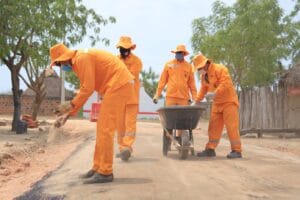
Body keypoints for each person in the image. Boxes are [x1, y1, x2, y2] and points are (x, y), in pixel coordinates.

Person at [49, 43, 135, 183]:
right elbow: (86, 87)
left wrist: (70, 106)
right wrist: (69, 114)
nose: (60, 68)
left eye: (58, 65)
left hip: (119, 85)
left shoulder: (81, 59)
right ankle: (97, 167)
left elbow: (87, 88)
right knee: (101, 129)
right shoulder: (79, 60)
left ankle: (105, 172)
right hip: (114, 86)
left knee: (105, 129)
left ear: (62, 59)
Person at [192, 54, 242, 159]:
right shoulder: (204, 76)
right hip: (217, 103)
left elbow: (226, 83)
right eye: (198, 69)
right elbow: (203, 89)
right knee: (213, 127)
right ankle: (210, 149)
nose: (199, 70)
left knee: (231, 127)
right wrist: (196, 101)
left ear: (205, 64)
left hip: (229, 102)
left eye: (200, 68)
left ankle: (237, 150)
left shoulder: (220, 69)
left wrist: (215, 93)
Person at [115, 36, 143, 161]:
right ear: (119, 48)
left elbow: (130, 76)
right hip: (119, 98)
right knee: (120, 126)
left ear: (131, 48)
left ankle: (127, 147)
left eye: (127, 48)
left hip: (131, 98)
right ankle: (122, 148)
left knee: (130, 125)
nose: (125, 51)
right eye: (123, 48)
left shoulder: (136, 61)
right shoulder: (115, 60)